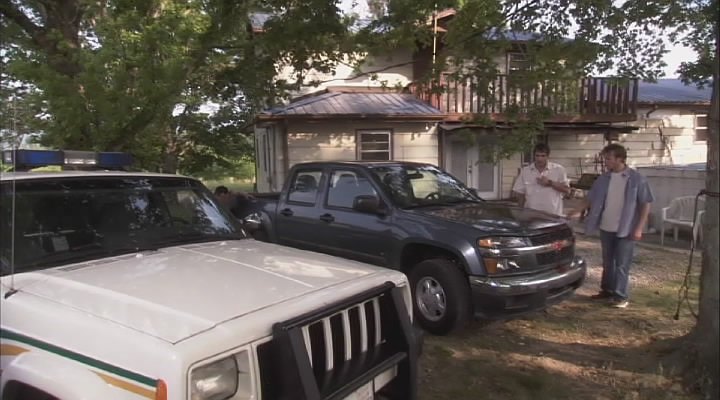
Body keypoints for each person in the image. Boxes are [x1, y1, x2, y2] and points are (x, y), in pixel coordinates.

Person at [570, 143, 653, 308]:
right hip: (606, 227)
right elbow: (590, 198)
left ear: (619, 159)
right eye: (605, 158)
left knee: (622, 263)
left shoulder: (636, 179)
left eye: (608, 158)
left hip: (626, 228)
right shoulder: (603, 178)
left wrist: (639, 228)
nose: (605, 161)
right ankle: (607, 290)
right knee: (608, 261)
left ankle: (621, 296)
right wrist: (575, 211)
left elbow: (645, 204)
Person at [512, 143, 571, 216]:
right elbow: (520, 194)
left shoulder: (559, 170)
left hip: (553, 214)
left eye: (543, 156)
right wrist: (519, 213)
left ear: (548, 156)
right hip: (531, 214)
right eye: (537, 155)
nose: (540, 159)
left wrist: (550, 183)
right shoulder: (525, 171)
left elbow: (567, 190)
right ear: (534, 156)